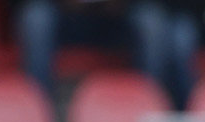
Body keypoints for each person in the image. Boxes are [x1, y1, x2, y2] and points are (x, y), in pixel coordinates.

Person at [17, 0, 182, 109]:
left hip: (119, 17)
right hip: (66, 18)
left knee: (152, 23)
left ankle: (149, 113)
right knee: (35, 19)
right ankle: (37, 117)